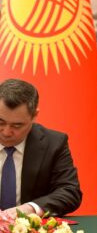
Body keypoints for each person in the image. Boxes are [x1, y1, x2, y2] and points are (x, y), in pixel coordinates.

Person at [0, 78, 82, 217]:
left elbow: (69, 191)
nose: (6, 132)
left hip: (30, 228)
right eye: (1, 122)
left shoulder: (54, 143)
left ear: (34, 116)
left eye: (17, 125)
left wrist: (31, 208)